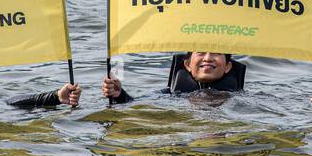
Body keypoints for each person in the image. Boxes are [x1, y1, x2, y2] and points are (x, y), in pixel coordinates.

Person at [100, 52, 246, 103]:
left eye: (216, 53)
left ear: (228, 66)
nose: (208, 58)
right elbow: (131, 105)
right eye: (200, 52)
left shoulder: (241, 99)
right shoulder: (168, 95)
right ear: (187, 64)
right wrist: (119, 95)